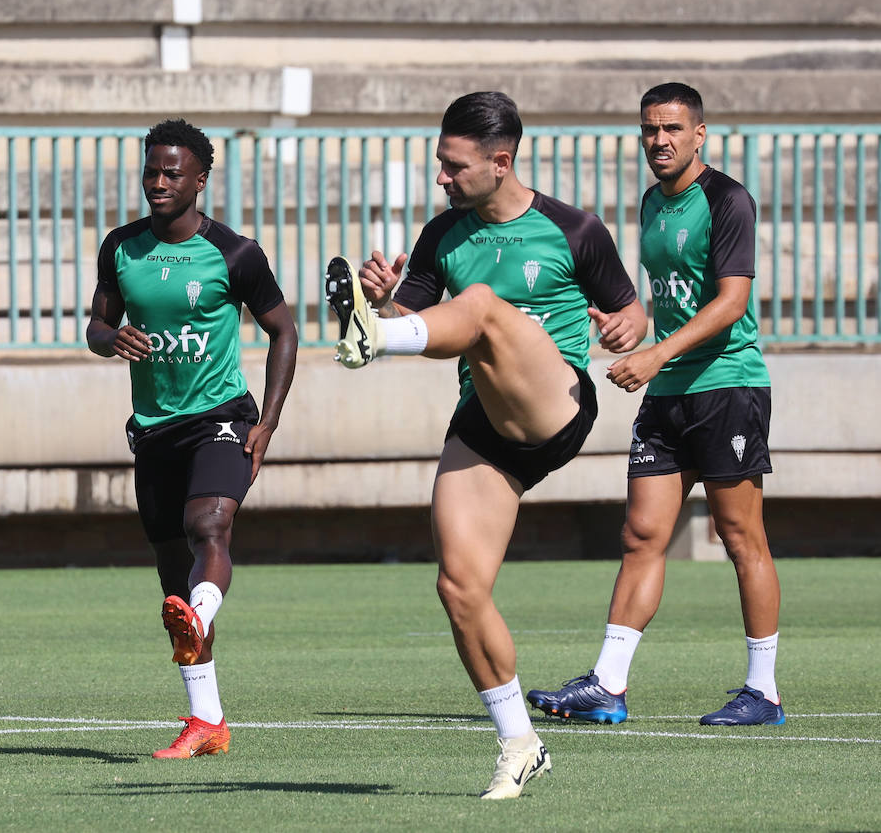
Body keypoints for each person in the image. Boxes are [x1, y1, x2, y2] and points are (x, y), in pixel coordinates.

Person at [325, 91, 646, 798]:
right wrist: (386, 304)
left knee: (482, 308)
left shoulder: (575, 230)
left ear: (501, 163)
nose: (441, 177)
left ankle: (374, 344)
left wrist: (628, 328)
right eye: (441, 163)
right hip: (484, 422)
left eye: (454, 166)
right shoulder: (444, 236)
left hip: (554, 404)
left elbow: (628, 309)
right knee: (460, 587)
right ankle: (519, 742)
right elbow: (427, 324)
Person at [526, 83, 782, 727]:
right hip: (668, 392)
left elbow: (729, 305)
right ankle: (608, 685)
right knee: (641, 535)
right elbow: (662, 300)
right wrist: (627, 328)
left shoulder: (728, 201)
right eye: (649, 130)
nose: (659, 141)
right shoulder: (651, 202)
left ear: (700, 134)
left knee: (739, 536)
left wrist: (656, 355)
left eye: (671, 129)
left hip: (726, 385)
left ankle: (764, 691)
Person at [86, 118, 297, 759]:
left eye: (171, 173)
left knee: (210, 526)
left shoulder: (235, 253)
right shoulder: (120, 247)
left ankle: (201, 611)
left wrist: (268, 423)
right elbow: (97, 324)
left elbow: (284, 331)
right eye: (150, 171)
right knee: (170, 571)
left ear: (199, 180)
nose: (158, 183)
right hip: (153, 431)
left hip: (222, 416)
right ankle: (206, 720)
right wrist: (110, 339)